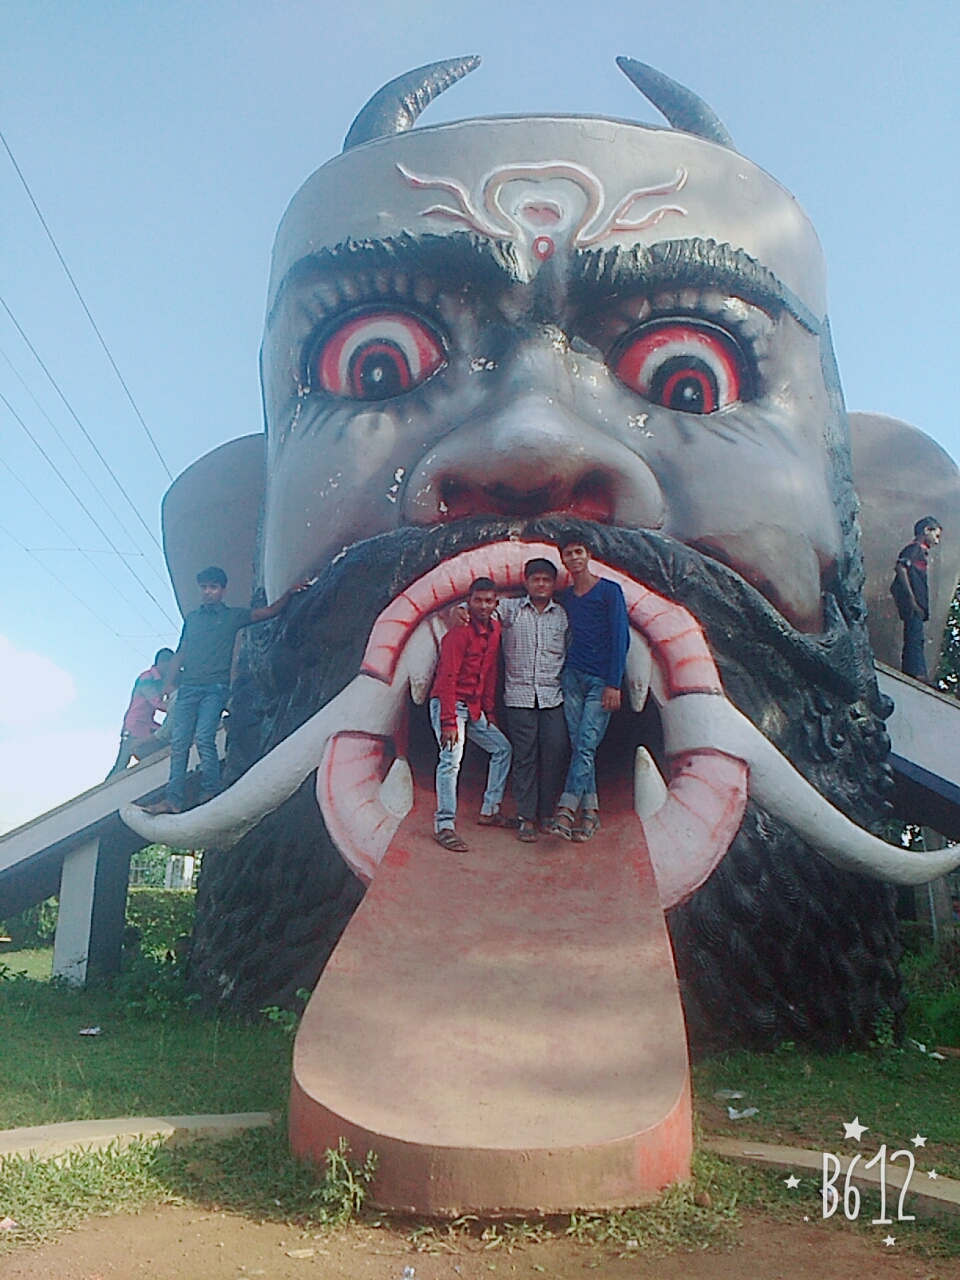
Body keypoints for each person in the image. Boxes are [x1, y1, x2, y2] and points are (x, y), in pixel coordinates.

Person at [141, 566, 305, 814]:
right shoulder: (193, 619)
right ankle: (173, 800)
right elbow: (182, 651)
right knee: (179, 744)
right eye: (204, 587)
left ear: (222, 591)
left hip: (214, 689)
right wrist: (168, 683)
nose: (208, 592)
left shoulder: (232, 616)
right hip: (188, 688)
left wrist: (289, 593)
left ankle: (211, 791)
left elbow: (269, 612)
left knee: (204, 738)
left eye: (213, 587)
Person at [553, 535, 629, 842]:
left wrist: (614, 683)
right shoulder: (567, 597)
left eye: (578, 551)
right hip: (572, 677)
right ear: (563, 560)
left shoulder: (610, 591)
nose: (573, 558)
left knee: (585, 743)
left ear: (588, 555)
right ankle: (591, 813)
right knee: (581, 746)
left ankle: (565, 810)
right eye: (568, 553)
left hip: (601, 681)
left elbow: (621, 637)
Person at [429, 577, 513, 852]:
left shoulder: (495, 629)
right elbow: (447, 676)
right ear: (469, 601)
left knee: (502, 749)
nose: (483, 606)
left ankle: (490, 809)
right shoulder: (459, 633)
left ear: (496, 603)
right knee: (451, 761)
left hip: (473, 707)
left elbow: (490, 671)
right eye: (478, 600)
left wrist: (489, 711)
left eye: (488, 601)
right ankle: (444, 825)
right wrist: (448, 721)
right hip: (449, 705)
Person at [498, 558, 569, 843]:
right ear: (526, 582)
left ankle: (546, 813)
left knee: (555, 751)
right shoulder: (510, 609)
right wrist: (459, 611)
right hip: (519, 696)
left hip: (553, 696)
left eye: (546, 580)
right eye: (535, 579)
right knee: (524, 756)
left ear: (553, 584)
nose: (541, 584)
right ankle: (526, 818)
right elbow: (479, 607)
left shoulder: (562, 615)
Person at [107, 648, 176, 776]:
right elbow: (156, 701)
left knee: (164, 740)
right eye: (169, 665)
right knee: (121, 766)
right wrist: (177, 707)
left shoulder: (159, 680)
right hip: (134, 727)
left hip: (146, 725)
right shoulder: (146, 678)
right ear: (163, 663)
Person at [891, 517, 942, 681]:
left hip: (917, 604)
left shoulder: (920, 552)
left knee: (915, 636)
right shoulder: (914, 549)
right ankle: (917, 672)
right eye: (936, 535)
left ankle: (913, 670)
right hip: (914, 603)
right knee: (915, 637)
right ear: (927, 530)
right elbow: (900, 567)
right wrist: (911, 599)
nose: (936, 541)